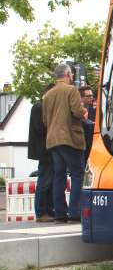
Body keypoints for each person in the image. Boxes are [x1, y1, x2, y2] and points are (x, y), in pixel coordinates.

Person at [42, 64, 87, 222]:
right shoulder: (71, 90)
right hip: (69, 138)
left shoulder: (47, 95)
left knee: (59, 176)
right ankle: (75, 212)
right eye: (72, 74)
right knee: (77, 174)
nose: (73, 77)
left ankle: (60, 214)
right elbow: (77, 111)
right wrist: (84, 113)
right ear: (68, 74)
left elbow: (45, 120)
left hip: (53, 139)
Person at [27, 83, 56, 222]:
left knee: (48, 181)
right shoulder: (40, 107)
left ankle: (47, 210)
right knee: (44, 181)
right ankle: (41, 212)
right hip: (45, 150)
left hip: (46, 149)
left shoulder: (40, 106)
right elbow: (41, 128)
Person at [78, 86, 95, 159]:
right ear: (81, 98)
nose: (91, 97)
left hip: (92, 147)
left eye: (92, 95)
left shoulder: (95, 111)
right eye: (88, 96)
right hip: (79, 146)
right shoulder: (75, 111)